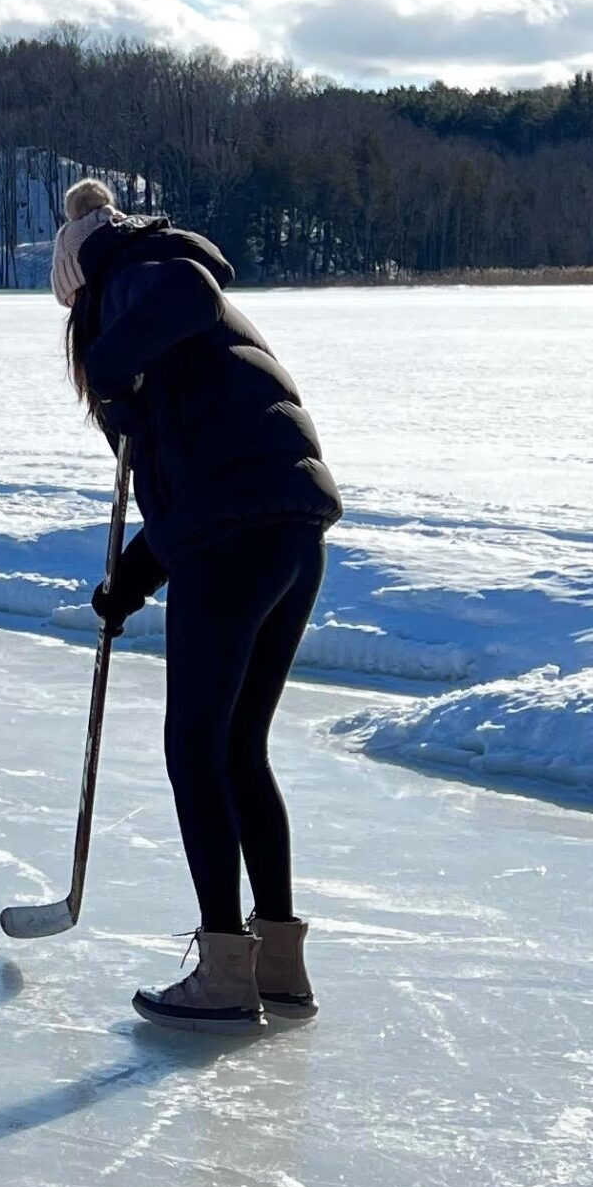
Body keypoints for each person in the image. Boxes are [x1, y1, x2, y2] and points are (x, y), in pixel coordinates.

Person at [50, 177, 343, 1032]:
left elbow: (185, 292)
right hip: (285, 529)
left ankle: (225, 970)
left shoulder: (144, 271)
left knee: (196, 751)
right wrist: (132, 581)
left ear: (79, 279)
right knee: (238, 746)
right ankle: (278, 962)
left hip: (240, 536)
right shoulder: (163, 322)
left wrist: (109, 362)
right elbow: (199, 487)